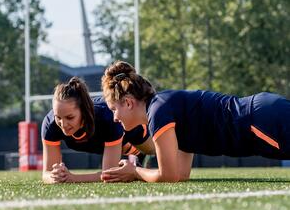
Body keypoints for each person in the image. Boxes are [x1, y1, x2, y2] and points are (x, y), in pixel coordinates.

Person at [100, 61, 290, 183]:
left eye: (114, 109)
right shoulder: (162, 109)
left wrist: (135, 172)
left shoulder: (158, 112)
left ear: (128, 102)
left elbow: (168, 176)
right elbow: (181, 174)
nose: (115, 117)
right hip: (261, 117)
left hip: (258, 120)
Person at [41, 76, 155, 183]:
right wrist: (55, 176)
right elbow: (46, 173)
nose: (63, 124)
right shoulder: (50, 125)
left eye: (70, 117)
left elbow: (110, 174)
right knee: (124, 149)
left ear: (84, 111)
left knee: (152, 150)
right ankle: (135, 157)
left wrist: (73, 178)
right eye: (58, 117)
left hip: (132, 131)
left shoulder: (107, 117)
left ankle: (138, 155)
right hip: (107, 140)